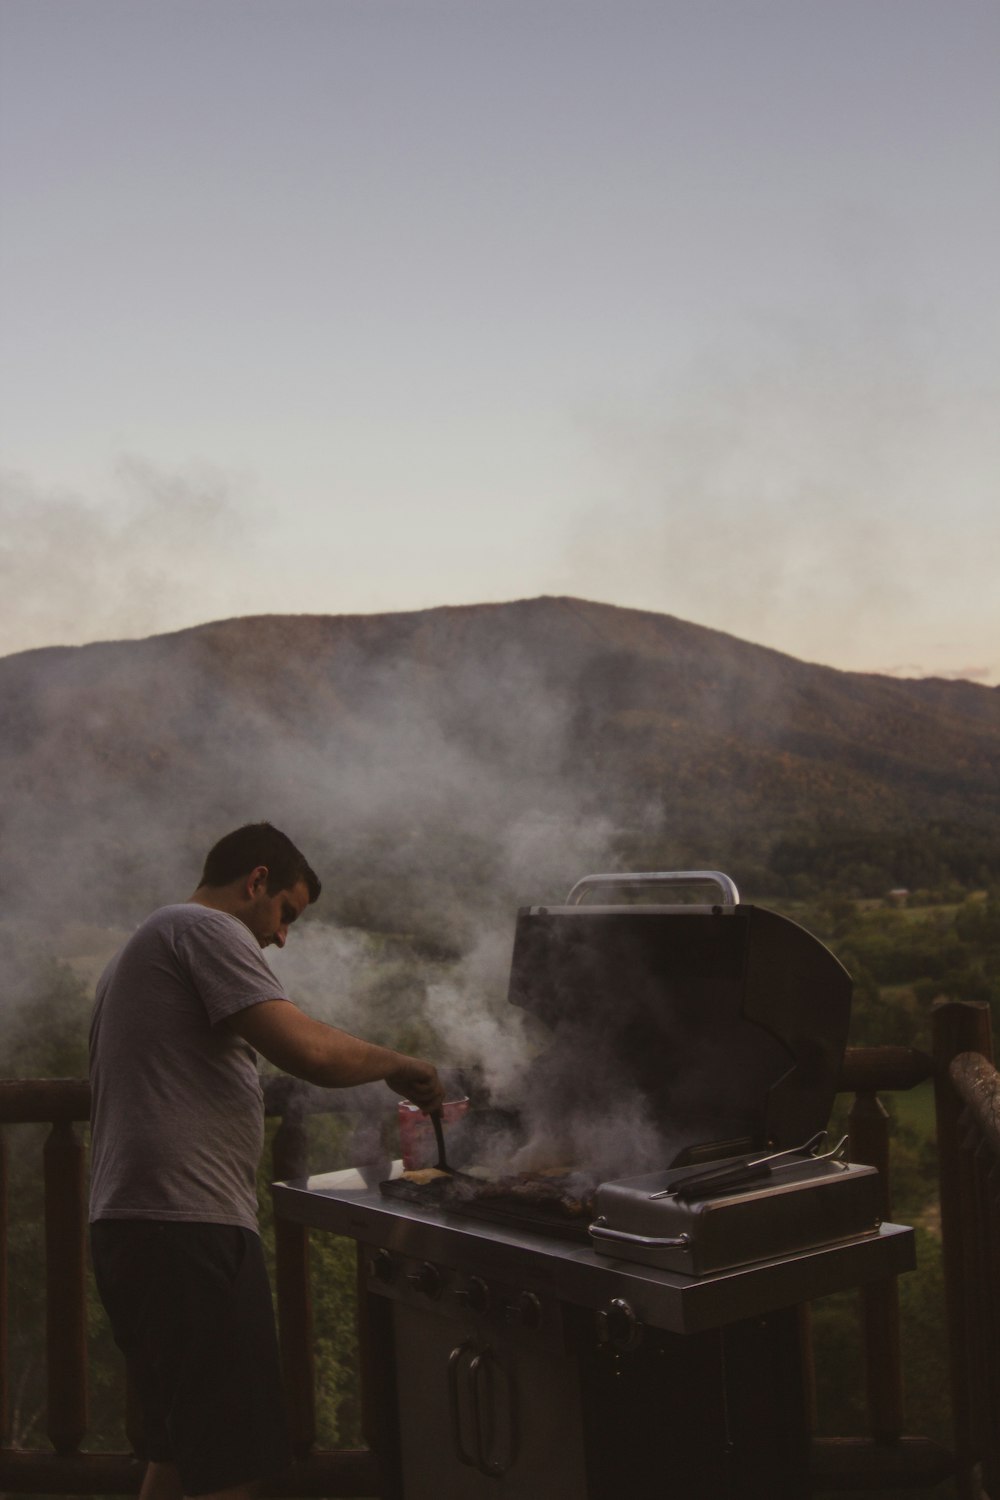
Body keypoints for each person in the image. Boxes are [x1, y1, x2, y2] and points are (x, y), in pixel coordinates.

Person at [88, 822, 444, 1500]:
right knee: (234, 1465)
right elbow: (305, 1049)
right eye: (286, 913)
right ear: (256, 881)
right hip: (186, 1226)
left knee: (184, 1452)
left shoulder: (143, 946)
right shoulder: (202, 930)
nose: (282, 936)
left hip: (131, 1227)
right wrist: (399, 1064)